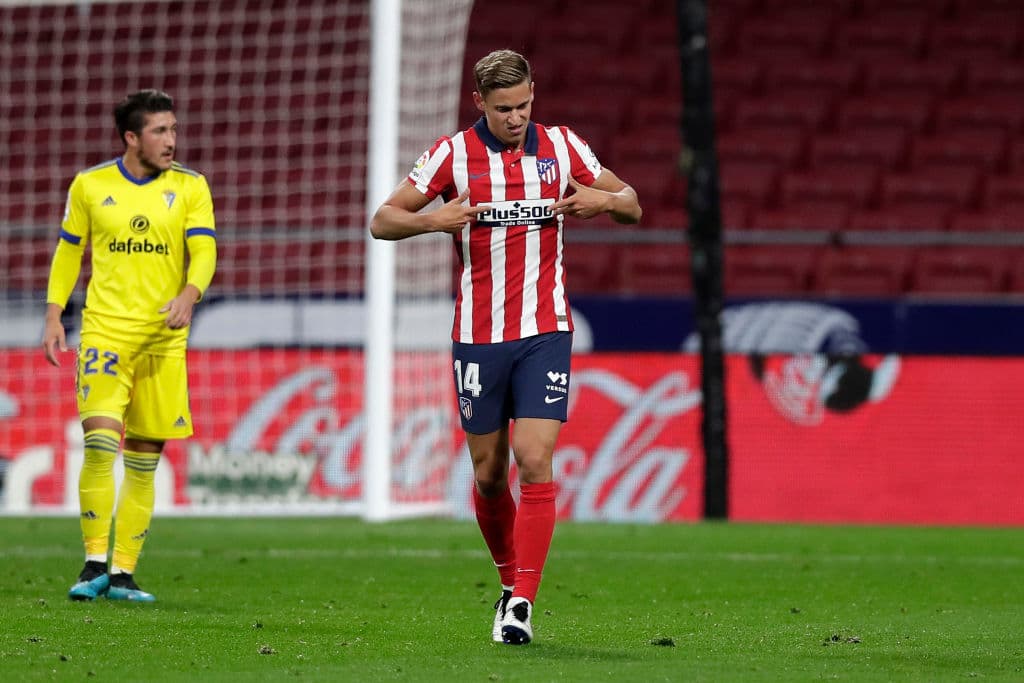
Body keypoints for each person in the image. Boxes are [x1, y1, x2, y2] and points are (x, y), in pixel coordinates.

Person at [370, 49, 641, 644]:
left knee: (534, 458)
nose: (516, 117)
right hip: (478, 336)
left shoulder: (565, 146)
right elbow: (383, 220)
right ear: (479, 105)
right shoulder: (451, 155)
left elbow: (632, 204)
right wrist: (434, 222)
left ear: (533, 95)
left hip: (546, 329)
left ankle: (521, 602)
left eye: (523, 105)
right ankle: (506, 580)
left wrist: (604, 201)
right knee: (490, 474)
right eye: (503, 109)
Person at [42, 89, 217, 603]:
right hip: (105, 333)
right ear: (131, 137)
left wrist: (191, 291)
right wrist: (54, 314)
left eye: (175, 129)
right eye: (161, 131)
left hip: (163, 339)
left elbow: (204, 249)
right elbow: (68, 252)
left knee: (144, 457)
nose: (172, 140)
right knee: (99, 443)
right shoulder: (91, 186)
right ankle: (93, 561)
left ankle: (123, 574)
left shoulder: (190, 186)